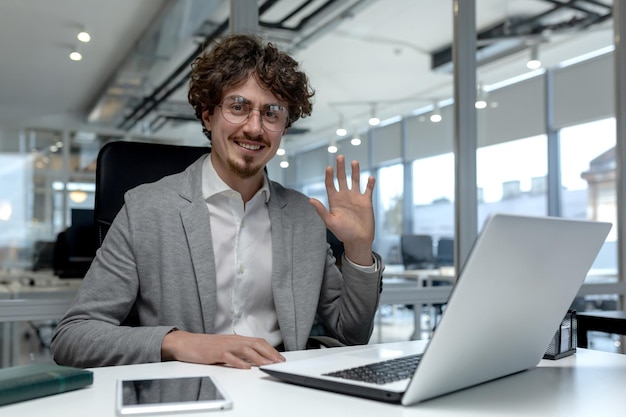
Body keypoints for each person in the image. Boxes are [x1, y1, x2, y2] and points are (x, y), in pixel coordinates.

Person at [50, 33, 383, 369]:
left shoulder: (304, 216)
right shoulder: (145, 209)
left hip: (283, 392)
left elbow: (352, 334)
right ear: (208, 115)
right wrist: (179, 342)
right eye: (238, 107)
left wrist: (357, 248)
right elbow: (73, 337)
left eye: (272, 113)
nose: (254, 128)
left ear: (284, 126)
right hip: (186, 394)